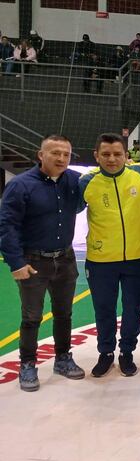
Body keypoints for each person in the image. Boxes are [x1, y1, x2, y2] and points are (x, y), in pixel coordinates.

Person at [0, 135, 85, 391]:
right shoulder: (21, 185)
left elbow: (82, 204)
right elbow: (7, 226)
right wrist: (16, 263)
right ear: (41, 155)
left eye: (66, 154)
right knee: (31, 316)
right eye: (55, 153)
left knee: (64, 314)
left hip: (66, 259)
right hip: (33, 262)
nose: (61, 158)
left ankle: (62, 358)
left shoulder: (74, 181)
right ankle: (27, 364)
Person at [79, 133, 140, 378]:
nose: (112, 159)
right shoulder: (86, 182)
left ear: (126, 156)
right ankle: (106, 352)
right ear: (96, 155)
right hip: (100, 261)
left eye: (117, 154)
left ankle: (127, 352)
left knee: (133, 308)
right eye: (106, 154)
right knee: (104, 309)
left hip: (137, 258)